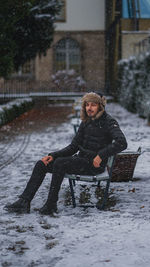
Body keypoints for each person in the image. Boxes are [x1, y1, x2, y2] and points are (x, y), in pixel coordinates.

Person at [4, 92, 127, 215]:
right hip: (81, 160)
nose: (89, 108)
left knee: (60, 163)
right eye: (87, 105)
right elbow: (73, 147)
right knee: (42, 164)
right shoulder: (86, 122)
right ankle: (24, 202)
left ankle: (51, 204)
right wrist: (53, 155)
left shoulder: (109, 122)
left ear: (100, 106)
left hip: (94, 166)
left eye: (93, 105)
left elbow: (122, 142)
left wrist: (100, 156)